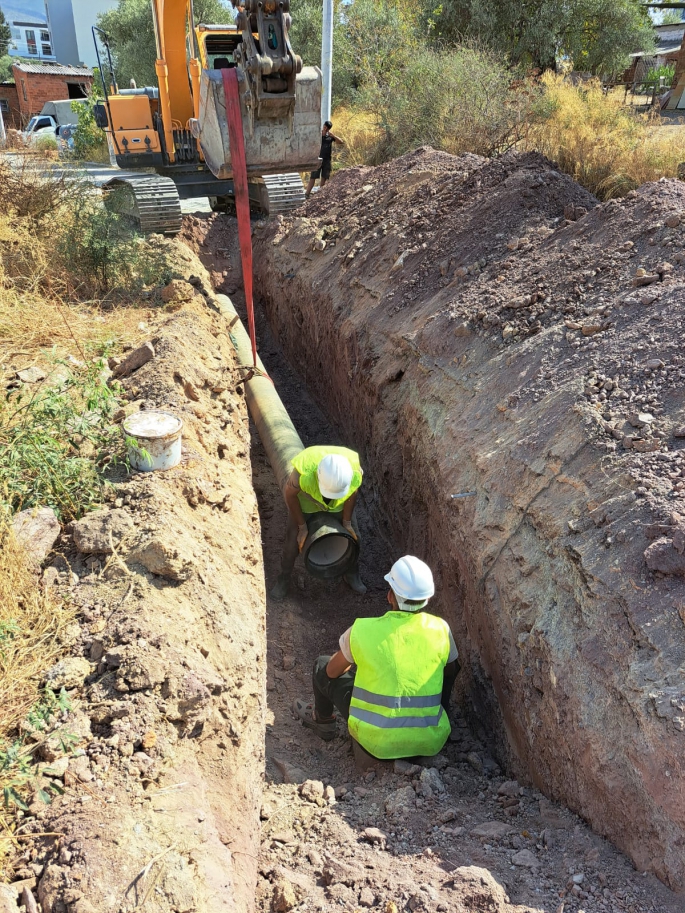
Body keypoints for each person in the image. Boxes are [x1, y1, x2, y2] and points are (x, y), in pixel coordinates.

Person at [293, 556, 460, 760]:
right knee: (449, 668)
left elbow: (331, 672)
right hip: (430, 742)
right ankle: (436, 718)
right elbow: (451, 670)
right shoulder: (441, 629)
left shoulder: (362, 630)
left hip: (375, 742)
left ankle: (323, 721)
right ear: (427, 598)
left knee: (322, 665)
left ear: (390, 596)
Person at [270, 445, 365, 600]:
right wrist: (302, 527)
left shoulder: (353, 470)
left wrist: (346, 523)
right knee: (292, 544)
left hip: (340, 503)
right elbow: (290, 495)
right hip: (306, 500)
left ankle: (352, 573)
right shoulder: (304, 471)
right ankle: (283, 579)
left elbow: (352, 493)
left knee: (355, 537)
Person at [305, 121, 344, 199]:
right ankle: (307, 194)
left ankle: (320, 196)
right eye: (325, 127)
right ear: (323, 126)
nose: (325, 129)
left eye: (327, 128)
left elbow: (341, 142)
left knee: (324, 178)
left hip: (326, 160)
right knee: (313, 177)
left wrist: (333, 136)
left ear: (329, 129)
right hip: (317, 159)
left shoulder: (330, 137)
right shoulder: (318, 135)